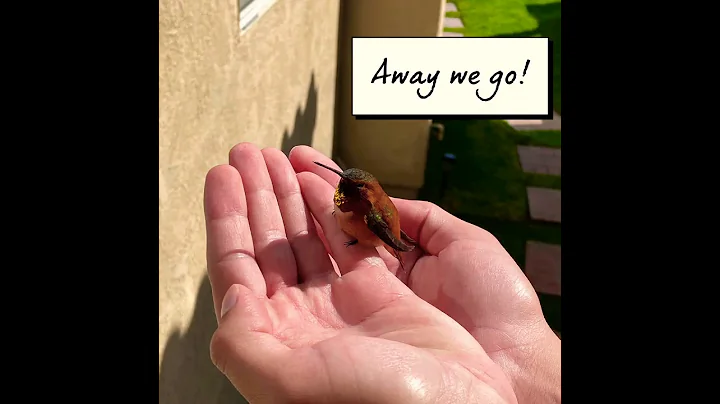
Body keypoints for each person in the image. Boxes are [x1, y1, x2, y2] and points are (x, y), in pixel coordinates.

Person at [203, 143, 561, 404]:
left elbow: (387, 234)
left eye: (352, 186)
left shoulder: (372, 213)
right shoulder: (346, 201)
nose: (342, 186)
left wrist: (390, 244)